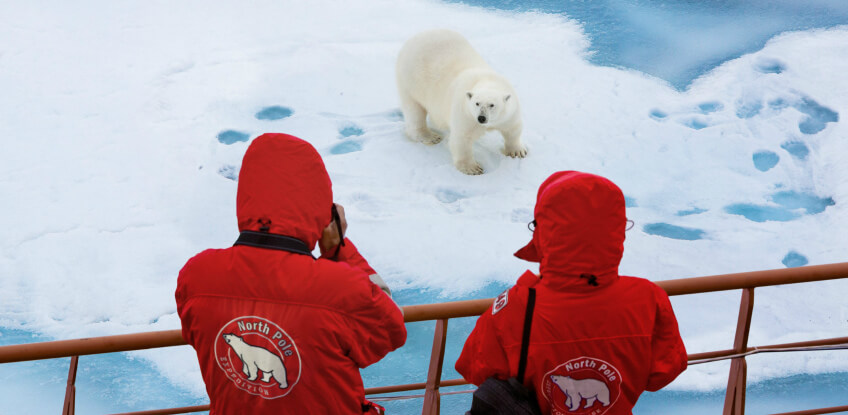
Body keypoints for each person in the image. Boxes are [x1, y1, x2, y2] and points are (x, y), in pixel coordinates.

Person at [175, 133, 406, 414]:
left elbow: (194, 333)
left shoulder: (197, 276)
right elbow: (390, 328)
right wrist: (338, 250)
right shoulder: (341, 288)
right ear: (321, 209)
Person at [455, 171, 687, 414]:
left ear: (544, 232)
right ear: (616, 230)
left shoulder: (514, 305)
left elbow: (475, 369)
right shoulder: (649, 298)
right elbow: (663, 372)